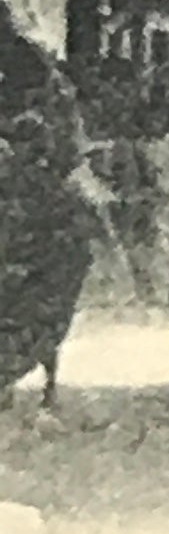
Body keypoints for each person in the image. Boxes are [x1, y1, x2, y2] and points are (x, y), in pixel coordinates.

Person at [0, 24, 97, 410]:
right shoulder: (37, 66)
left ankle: (41, 377)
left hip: (33, 203)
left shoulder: (34, 67)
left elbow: (64, 138)